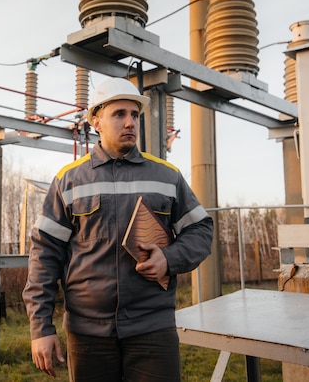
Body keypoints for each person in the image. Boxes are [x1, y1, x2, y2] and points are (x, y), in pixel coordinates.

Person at [22, 77, 214, 381]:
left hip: (152, 327)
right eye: (119, 114)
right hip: (87, 333)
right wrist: (41, 328)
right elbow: (44, 254)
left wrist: (169, 258)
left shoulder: (167, 176)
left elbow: (201, 230)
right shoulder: (69, 180)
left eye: (135, 115)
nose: (130, 123)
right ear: (96, 121)